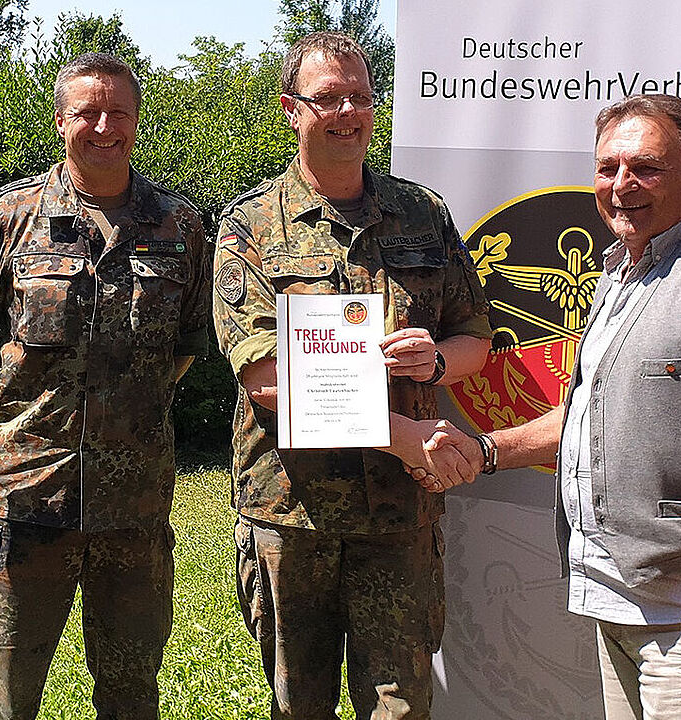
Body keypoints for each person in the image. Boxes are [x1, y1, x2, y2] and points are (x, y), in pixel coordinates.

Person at [425, 94, 681, 720]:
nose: (621, 185)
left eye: (646, 168)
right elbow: (587, 418)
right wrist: (485, 450)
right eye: (607, 168)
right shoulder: (620, 273)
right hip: (616, 599)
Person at [210, 31, 492, 720]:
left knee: (398, 708)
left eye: (361, 97)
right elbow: (267, 382)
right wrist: (403, 436)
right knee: (297, 705)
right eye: (329, 97)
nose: (348, 112)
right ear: (290, 108)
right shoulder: (248, 226)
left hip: (399, 520)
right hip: (292, 515)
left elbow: (476, 339)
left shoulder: (423, 214)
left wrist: (436, 360)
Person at [0, 52, 210, 720]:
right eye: (87, 113)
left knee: (131, 694)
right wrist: (21, 428)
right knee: (7, 695)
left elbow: (186, 343)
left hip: (134, 508)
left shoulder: (179, 227)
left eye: (118, 112)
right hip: (23, 500)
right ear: (60, 120)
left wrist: (123, 415)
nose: (104, 126)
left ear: (137, 120)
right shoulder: (4, 218)